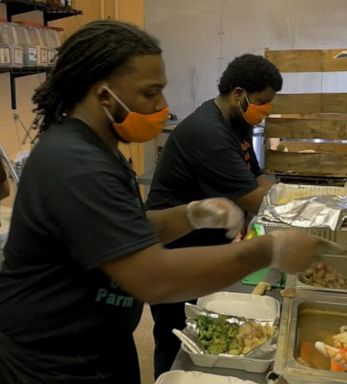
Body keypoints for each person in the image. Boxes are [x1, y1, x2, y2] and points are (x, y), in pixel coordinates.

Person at [0, 20, 321, 384]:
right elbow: (152, 277)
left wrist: (189, 215)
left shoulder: (99, 150)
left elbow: (122, 228)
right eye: (150, 93)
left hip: (102, 344)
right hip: (52, 362)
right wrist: (268, 251)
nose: (162, 106)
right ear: (104, 95)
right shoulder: (73, 163)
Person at [145, 54, 283, 377]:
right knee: (175, 335)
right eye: (262, 102)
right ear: (239, 94)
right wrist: (272, 197)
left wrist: (267, 192)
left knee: (200, 333)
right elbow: (255, 197)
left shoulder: (237, 123)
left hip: (201, 243)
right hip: (171, 249)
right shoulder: (208, 134)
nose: (267, 110)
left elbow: (259, 177)